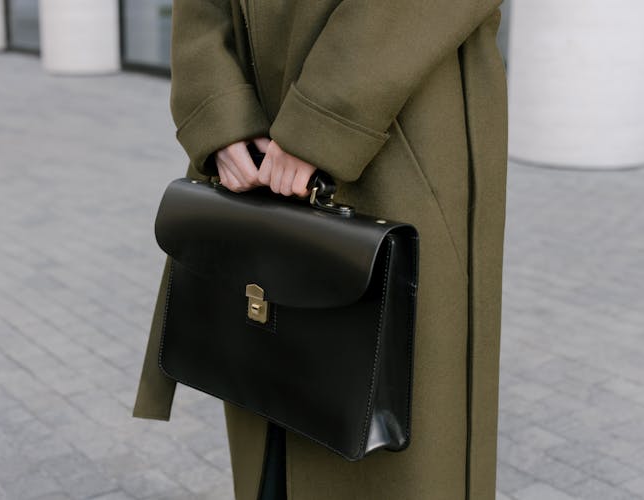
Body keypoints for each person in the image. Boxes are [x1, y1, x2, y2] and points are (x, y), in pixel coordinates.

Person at [132, 1, 508, 499]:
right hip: (255, 131)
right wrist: (218, 109)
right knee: (268, 409)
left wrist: (326, 116)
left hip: (399, 119)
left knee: (392, 431)